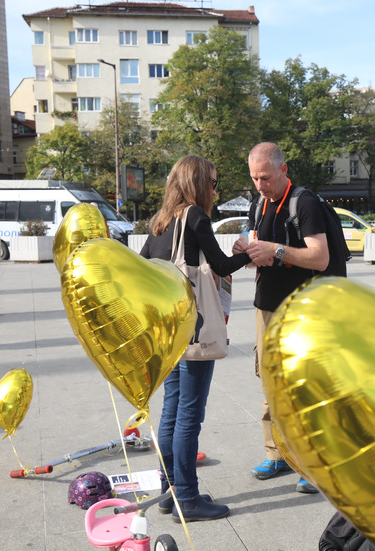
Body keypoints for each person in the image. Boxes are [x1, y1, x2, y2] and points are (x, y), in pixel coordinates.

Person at [140, 155, 251, 523]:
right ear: (197, 182)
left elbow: (144, 269)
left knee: (171, 412)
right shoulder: (195, 217)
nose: (216, 190)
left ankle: (169, 492)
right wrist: (246, 252)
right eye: (214, 182)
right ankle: (187, 498)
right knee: (189, 416)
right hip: (194, 329)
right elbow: (220, 265)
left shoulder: (159, 220)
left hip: (167, 332)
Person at [236, 142, 334, 494]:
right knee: (269, 382)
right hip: (267, 306)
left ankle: (310, 463)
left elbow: (320, 257)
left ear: (283, 169)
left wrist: (276, 249)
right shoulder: (258, 204)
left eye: (265, 177)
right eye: (254, 178)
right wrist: (246, 253)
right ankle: (276, 453)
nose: (259, 185)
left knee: (303, 386)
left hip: (302, 310)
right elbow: (256, 260)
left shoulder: (303, 202)